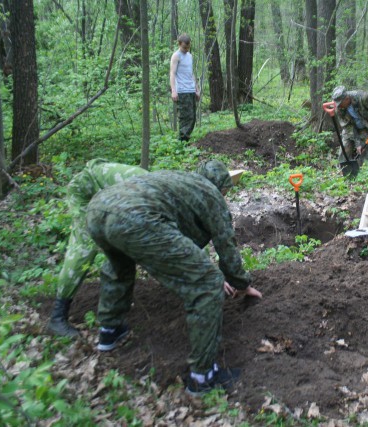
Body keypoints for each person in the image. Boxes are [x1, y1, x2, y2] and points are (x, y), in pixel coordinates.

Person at [86, 160, 262, 395]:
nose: (224, 194)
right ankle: (203, 376)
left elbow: (180, 242)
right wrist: (240, 282)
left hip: (97, 209)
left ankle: (110, 330)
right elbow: (225, 243)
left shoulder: (180, 181)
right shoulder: (211, 194)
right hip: (136, 217)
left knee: (119, 265)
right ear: (221, 187)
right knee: (207, 283)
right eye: (225, 190)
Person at [48, 159, 148, 337]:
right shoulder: (146, 193)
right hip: (85, 193)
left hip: (109, 198)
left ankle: (114, 304)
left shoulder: (157, 190)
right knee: (83, 249)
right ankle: (57, 317)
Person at [331, 85, 368, 166]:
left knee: (366, 153)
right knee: (345, 148)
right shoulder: (339, 109)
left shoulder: (363, 97)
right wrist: (358, 144)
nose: (339, 106)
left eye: (340, 103)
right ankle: (343, 170)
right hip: (351, 128)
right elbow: (348, 127)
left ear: (346, 98)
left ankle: (363, 171)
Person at [170, 33, 200, 141]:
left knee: (192, 117)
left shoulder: (190, 56)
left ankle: (186, 140)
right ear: (179, 44)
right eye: (184, 47)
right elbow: (172, 73)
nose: (186, 49)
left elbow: (191, 73)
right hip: (182, 91)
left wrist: (196, 89)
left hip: (191, 90)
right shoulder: (176, 56)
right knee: (185, 117)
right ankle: (182, 142)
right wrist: (173, 91)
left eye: (188, 47)